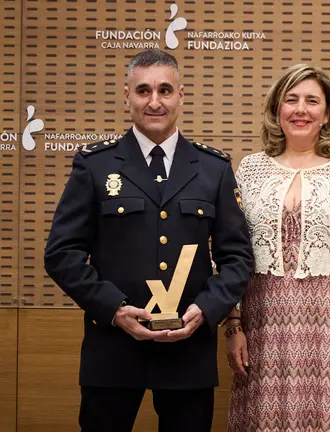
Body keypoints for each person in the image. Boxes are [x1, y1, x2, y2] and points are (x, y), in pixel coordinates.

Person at [43, 49, 254, 432]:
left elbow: (238, 257)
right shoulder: (95, 165)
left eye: (164, 90)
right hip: (112, 349)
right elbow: (62, 253)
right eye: (143, 91)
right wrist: (114, 309)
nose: (154, 102)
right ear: (127, 96)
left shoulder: (214, 169)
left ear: (181, 95)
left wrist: (205, 311)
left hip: (188, 353)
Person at [225, 63, 330, 431]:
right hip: (264, 325)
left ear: (327, 113)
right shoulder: (249, 170)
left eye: (312, 101)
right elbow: (231, 252)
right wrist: (233, 326)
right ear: (277, 110)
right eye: (291, 100)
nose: (301, 109)